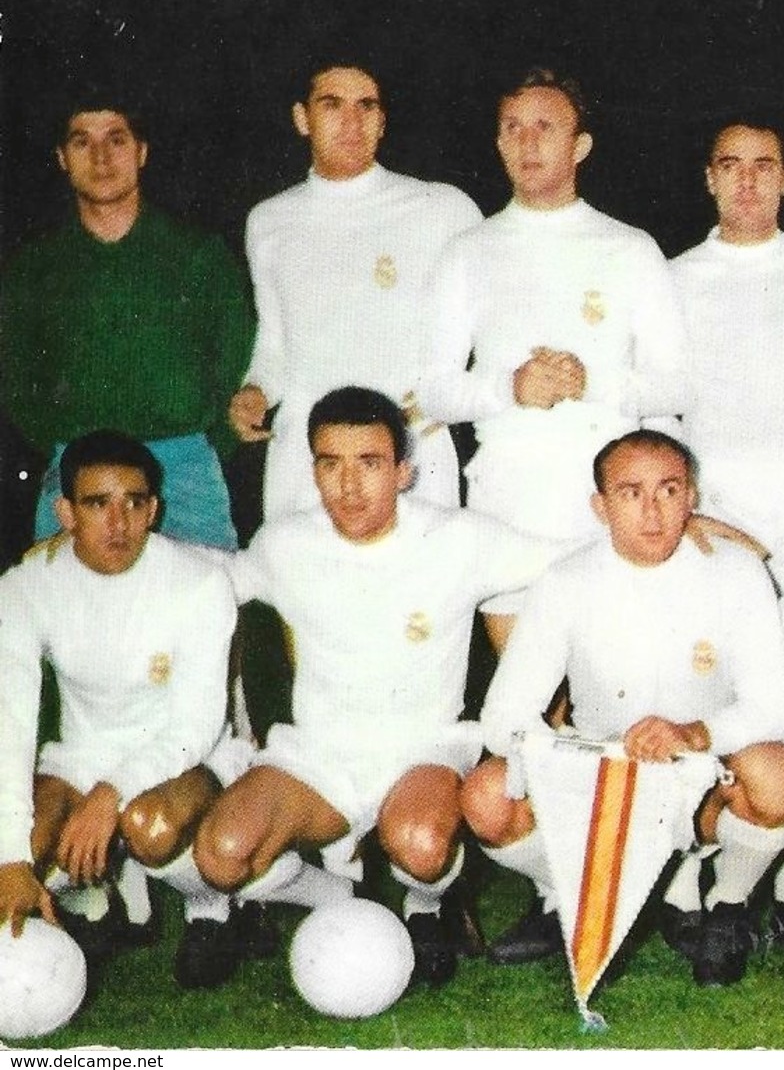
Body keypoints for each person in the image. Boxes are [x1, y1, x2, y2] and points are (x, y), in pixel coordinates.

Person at [193, 387, 573, 989]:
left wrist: (688, 527)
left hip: (423, 748)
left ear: (403, 471)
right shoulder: (284, 543)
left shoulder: (458, 538)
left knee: (420, 844)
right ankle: (333, 898)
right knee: (220, 857)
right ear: (312, 468)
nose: (348, 486)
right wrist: (95, 549)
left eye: (368, 464)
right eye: (329, 464)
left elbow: (571, 554)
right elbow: (209, 579)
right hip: (318, 756)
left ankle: (428, 909)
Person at [464, 430, 784, 988]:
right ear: (600, 507)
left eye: (668, 491)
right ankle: (567, 895)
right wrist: (592, 751)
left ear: (691, 496)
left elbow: (774, 707)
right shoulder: (566, 581)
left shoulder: (737, 573)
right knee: (485, 795)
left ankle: (726, 904)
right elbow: (503, 717)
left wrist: (691, 734)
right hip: (603, 777)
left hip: (702, 775)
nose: (652, 511)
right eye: (630, 493)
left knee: (774, 772)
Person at [419, 68, 685, 653]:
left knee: (608, 692)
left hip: (603, 503)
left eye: (545, 127)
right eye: (512, 128)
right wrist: (508, 388)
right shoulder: (468, 252)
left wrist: (591, 383)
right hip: (507, 499)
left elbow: (678, 387)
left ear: (580, 145)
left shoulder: (630, 248)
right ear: (497, 143)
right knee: (524, 702)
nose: (527, 143)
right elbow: (433, 391)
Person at [0, 431, 254, 988]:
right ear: (64, 511)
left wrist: (110, 796)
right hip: (83, 758)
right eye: (97, 503)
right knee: (24, 844)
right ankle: (91, 906)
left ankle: (212, 907)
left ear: (154, 509)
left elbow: (196, 727)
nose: (118, 523)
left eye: (134, 503)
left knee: (150, 826)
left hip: (190, 757)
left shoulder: (199, 582)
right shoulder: (25, 587)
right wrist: (10, 859)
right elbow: (10, 721)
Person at [229, 59, 482, 522]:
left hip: (411, 455)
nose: (351, 121)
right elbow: (276, 347)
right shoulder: (268, 221)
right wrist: (255, 392)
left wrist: (445, 401)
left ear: (382, 121)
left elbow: (485, 338)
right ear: (302, 118)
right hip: (304, 460)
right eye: (332, 105)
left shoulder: (442, 209)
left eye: (366, 106)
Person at [0, 92, 255, 552]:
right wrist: (69, 446)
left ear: (141, 151)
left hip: (183, 474)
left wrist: (206, 446)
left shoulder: (199, 256)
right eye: (82, 142)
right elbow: (16, 381)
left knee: (205, 610)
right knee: (68, 613)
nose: (101, 157)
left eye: (116, 139)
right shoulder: (34, 269)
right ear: (61, 157)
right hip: (78, 473)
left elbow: (236, 362)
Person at [670, 119, 784, 588]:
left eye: (763, 166)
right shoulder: (675, 277)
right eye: (731, 166)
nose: (747, 180)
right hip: (716, 491)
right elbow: (659, 403)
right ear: (710, 178)